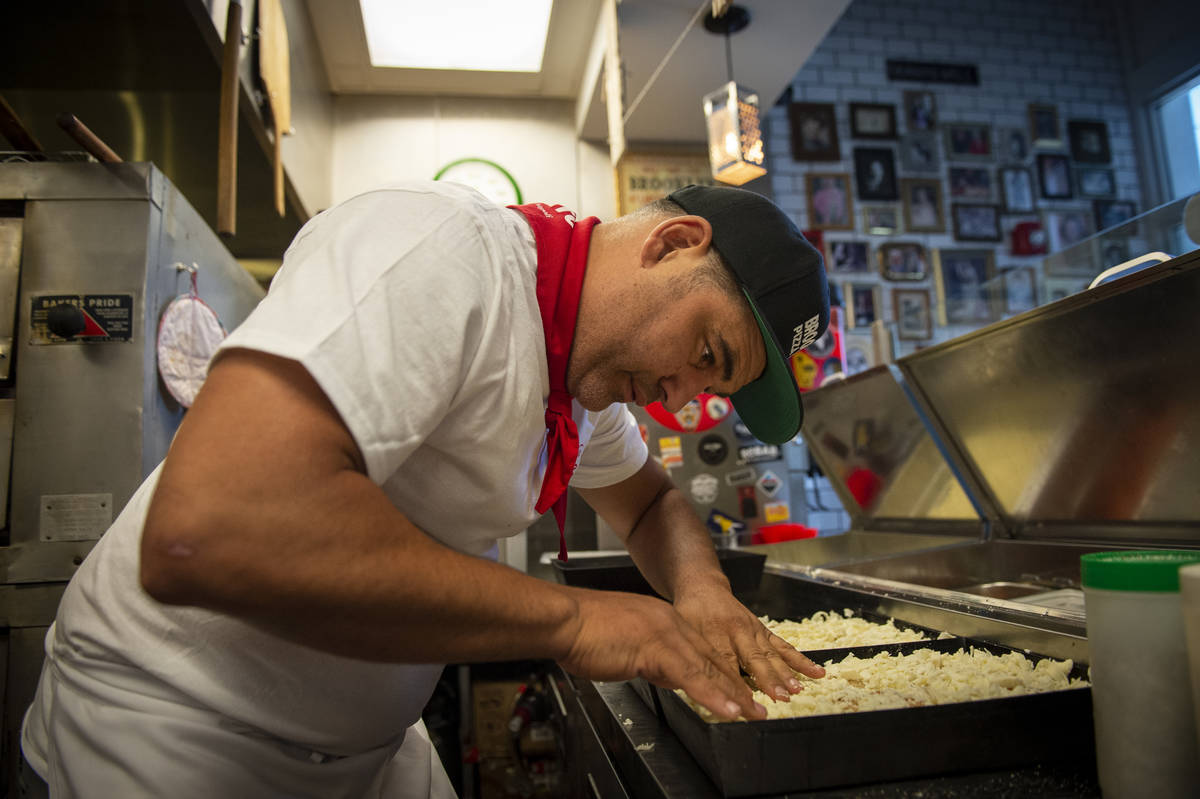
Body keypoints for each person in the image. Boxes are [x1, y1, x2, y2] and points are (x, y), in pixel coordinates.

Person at [20, 181, 830, 797]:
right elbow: (207, 530)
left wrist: (704, 592)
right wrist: (574, 619)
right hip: (179, 726)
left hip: (368, 748)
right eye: (705, 351)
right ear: (674, 243)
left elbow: (652, 503)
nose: (678, 398)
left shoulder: (576, 384)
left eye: (707, 386)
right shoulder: (444, 252)